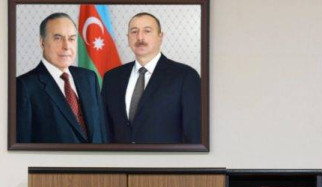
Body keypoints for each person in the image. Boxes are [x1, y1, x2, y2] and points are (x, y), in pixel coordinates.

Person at [100, 12, 201, 144]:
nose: (140, 37)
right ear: (128, 38)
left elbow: (195, 133)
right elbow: (105, 129)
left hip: (165, 157)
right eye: (134, 31)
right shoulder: (111, 78)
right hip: (120, 157)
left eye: (147, 31)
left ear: (160, 37)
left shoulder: (185, 76)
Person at [16, 13, 107, 143]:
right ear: (42, 42)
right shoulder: (24, 86)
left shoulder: (89, 78)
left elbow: (101, 133)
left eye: (71, 39)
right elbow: (22, 144)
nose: (66, 46)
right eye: (58, 38)